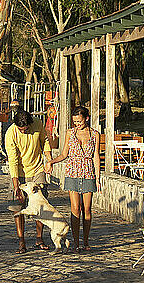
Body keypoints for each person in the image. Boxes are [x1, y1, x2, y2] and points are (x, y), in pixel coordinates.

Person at [45, 106, 100, 252]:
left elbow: (96, 157)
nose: (77, 124)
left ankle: (86, 241)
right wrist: (51, 162)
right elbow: (64, 154)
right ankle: (76, 243)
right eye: (75, 121)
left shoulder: (95, 135)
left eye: (79, 121)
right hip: (72, 172)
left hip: (88, 173)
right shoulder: (70, 133)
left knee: (86, 209)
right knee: (75, 208)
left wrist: (98, 178)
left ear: (86, 119)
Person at [5, 108, 52, 254]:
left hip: (37, 169)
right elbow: (12, 160)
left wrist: (49, 159)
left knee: (41, 205)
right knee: (18, 208)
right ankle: (21, 241)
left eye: (25, 129)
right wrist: (16, 187)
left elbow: (44, 140)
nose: (23, 132)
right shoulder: (10, 133)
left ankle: (39, 238)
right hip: (19, 172)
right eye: (21, 130)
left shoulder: (38, 124)